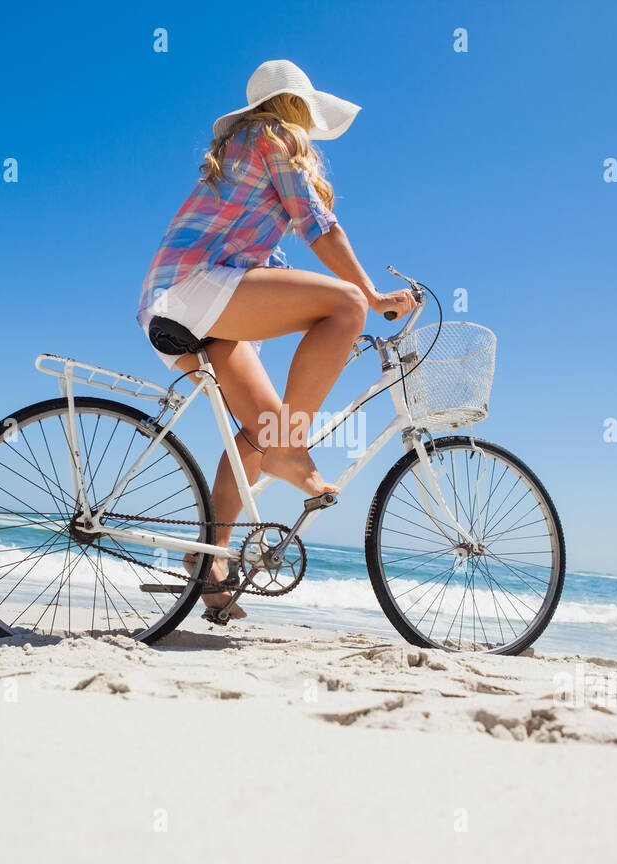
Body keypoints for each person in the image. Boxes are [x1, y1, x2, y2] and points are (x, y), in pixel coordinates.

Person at [136, 59, 415, 615]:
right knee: (346, 304)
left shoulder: (243, 150)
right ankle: (292, 447)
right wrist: (373, 296)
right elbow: (319, 226)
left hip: (176, 303)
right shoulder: (271, 135)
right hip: (197, 289)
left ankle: (210, 564)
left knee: (257, 435)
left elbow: (279, 254)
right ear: (297, 107)